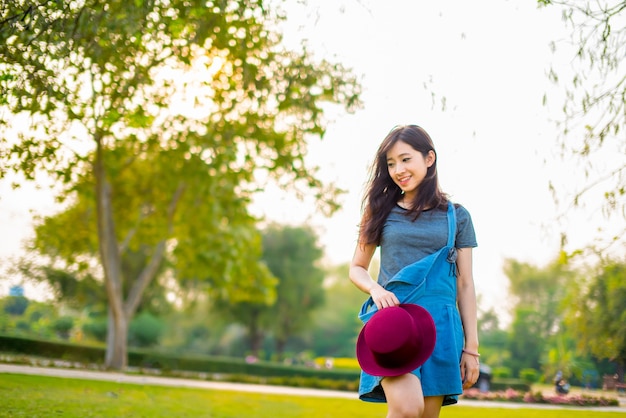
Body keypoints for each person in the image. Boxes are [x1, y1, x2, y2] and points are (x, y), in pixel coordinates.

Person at [349, 125, 480, 418]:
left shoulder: (457, 216)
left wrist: (471, 348)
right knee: (408, 409)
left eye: (406, 159)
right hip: (394, 323)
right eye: (391, 163)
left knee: (425, 416)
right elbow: (357, 268)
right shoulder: (379, 211)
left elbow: (466, 285)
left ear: (429, 158)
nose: (398, 170)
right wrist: (376, 289)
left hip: (442, 327)